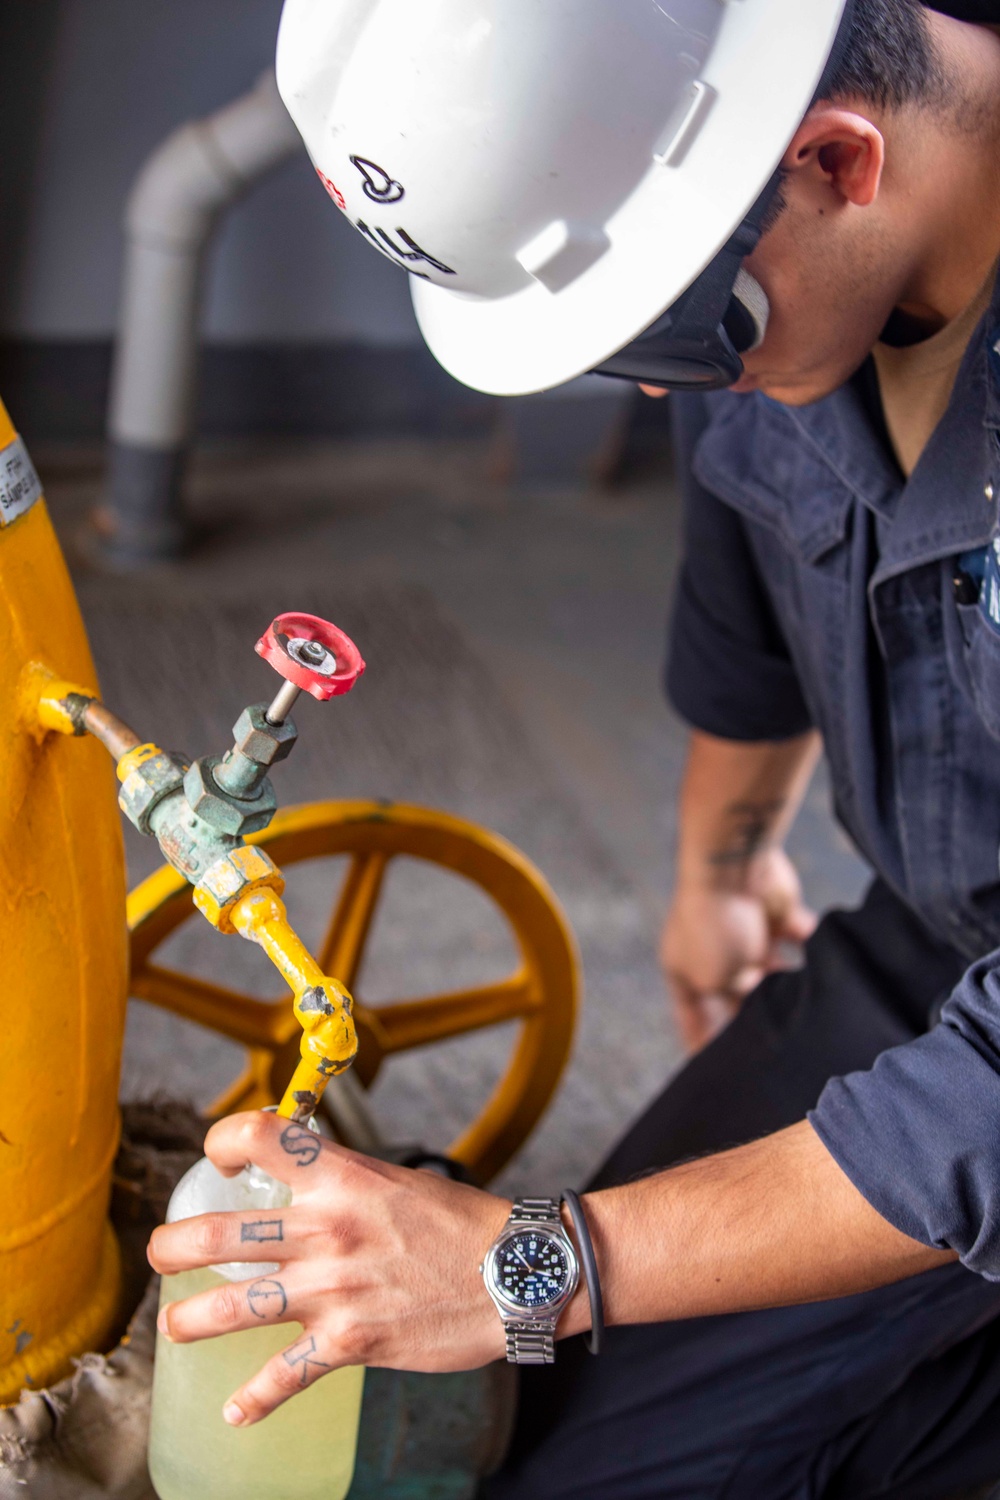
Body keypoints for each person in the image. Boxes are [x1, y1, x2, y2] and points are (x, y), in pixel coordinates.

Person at [149, 1, 1000, 1493]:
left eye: (674, 333)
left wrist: (536, 1263)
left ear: (838, 160)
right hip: (934, 956)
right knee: (557, 1440)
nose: (663, 385)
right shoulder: (785, 252)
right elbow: (748, 539)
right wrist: (717, 866)